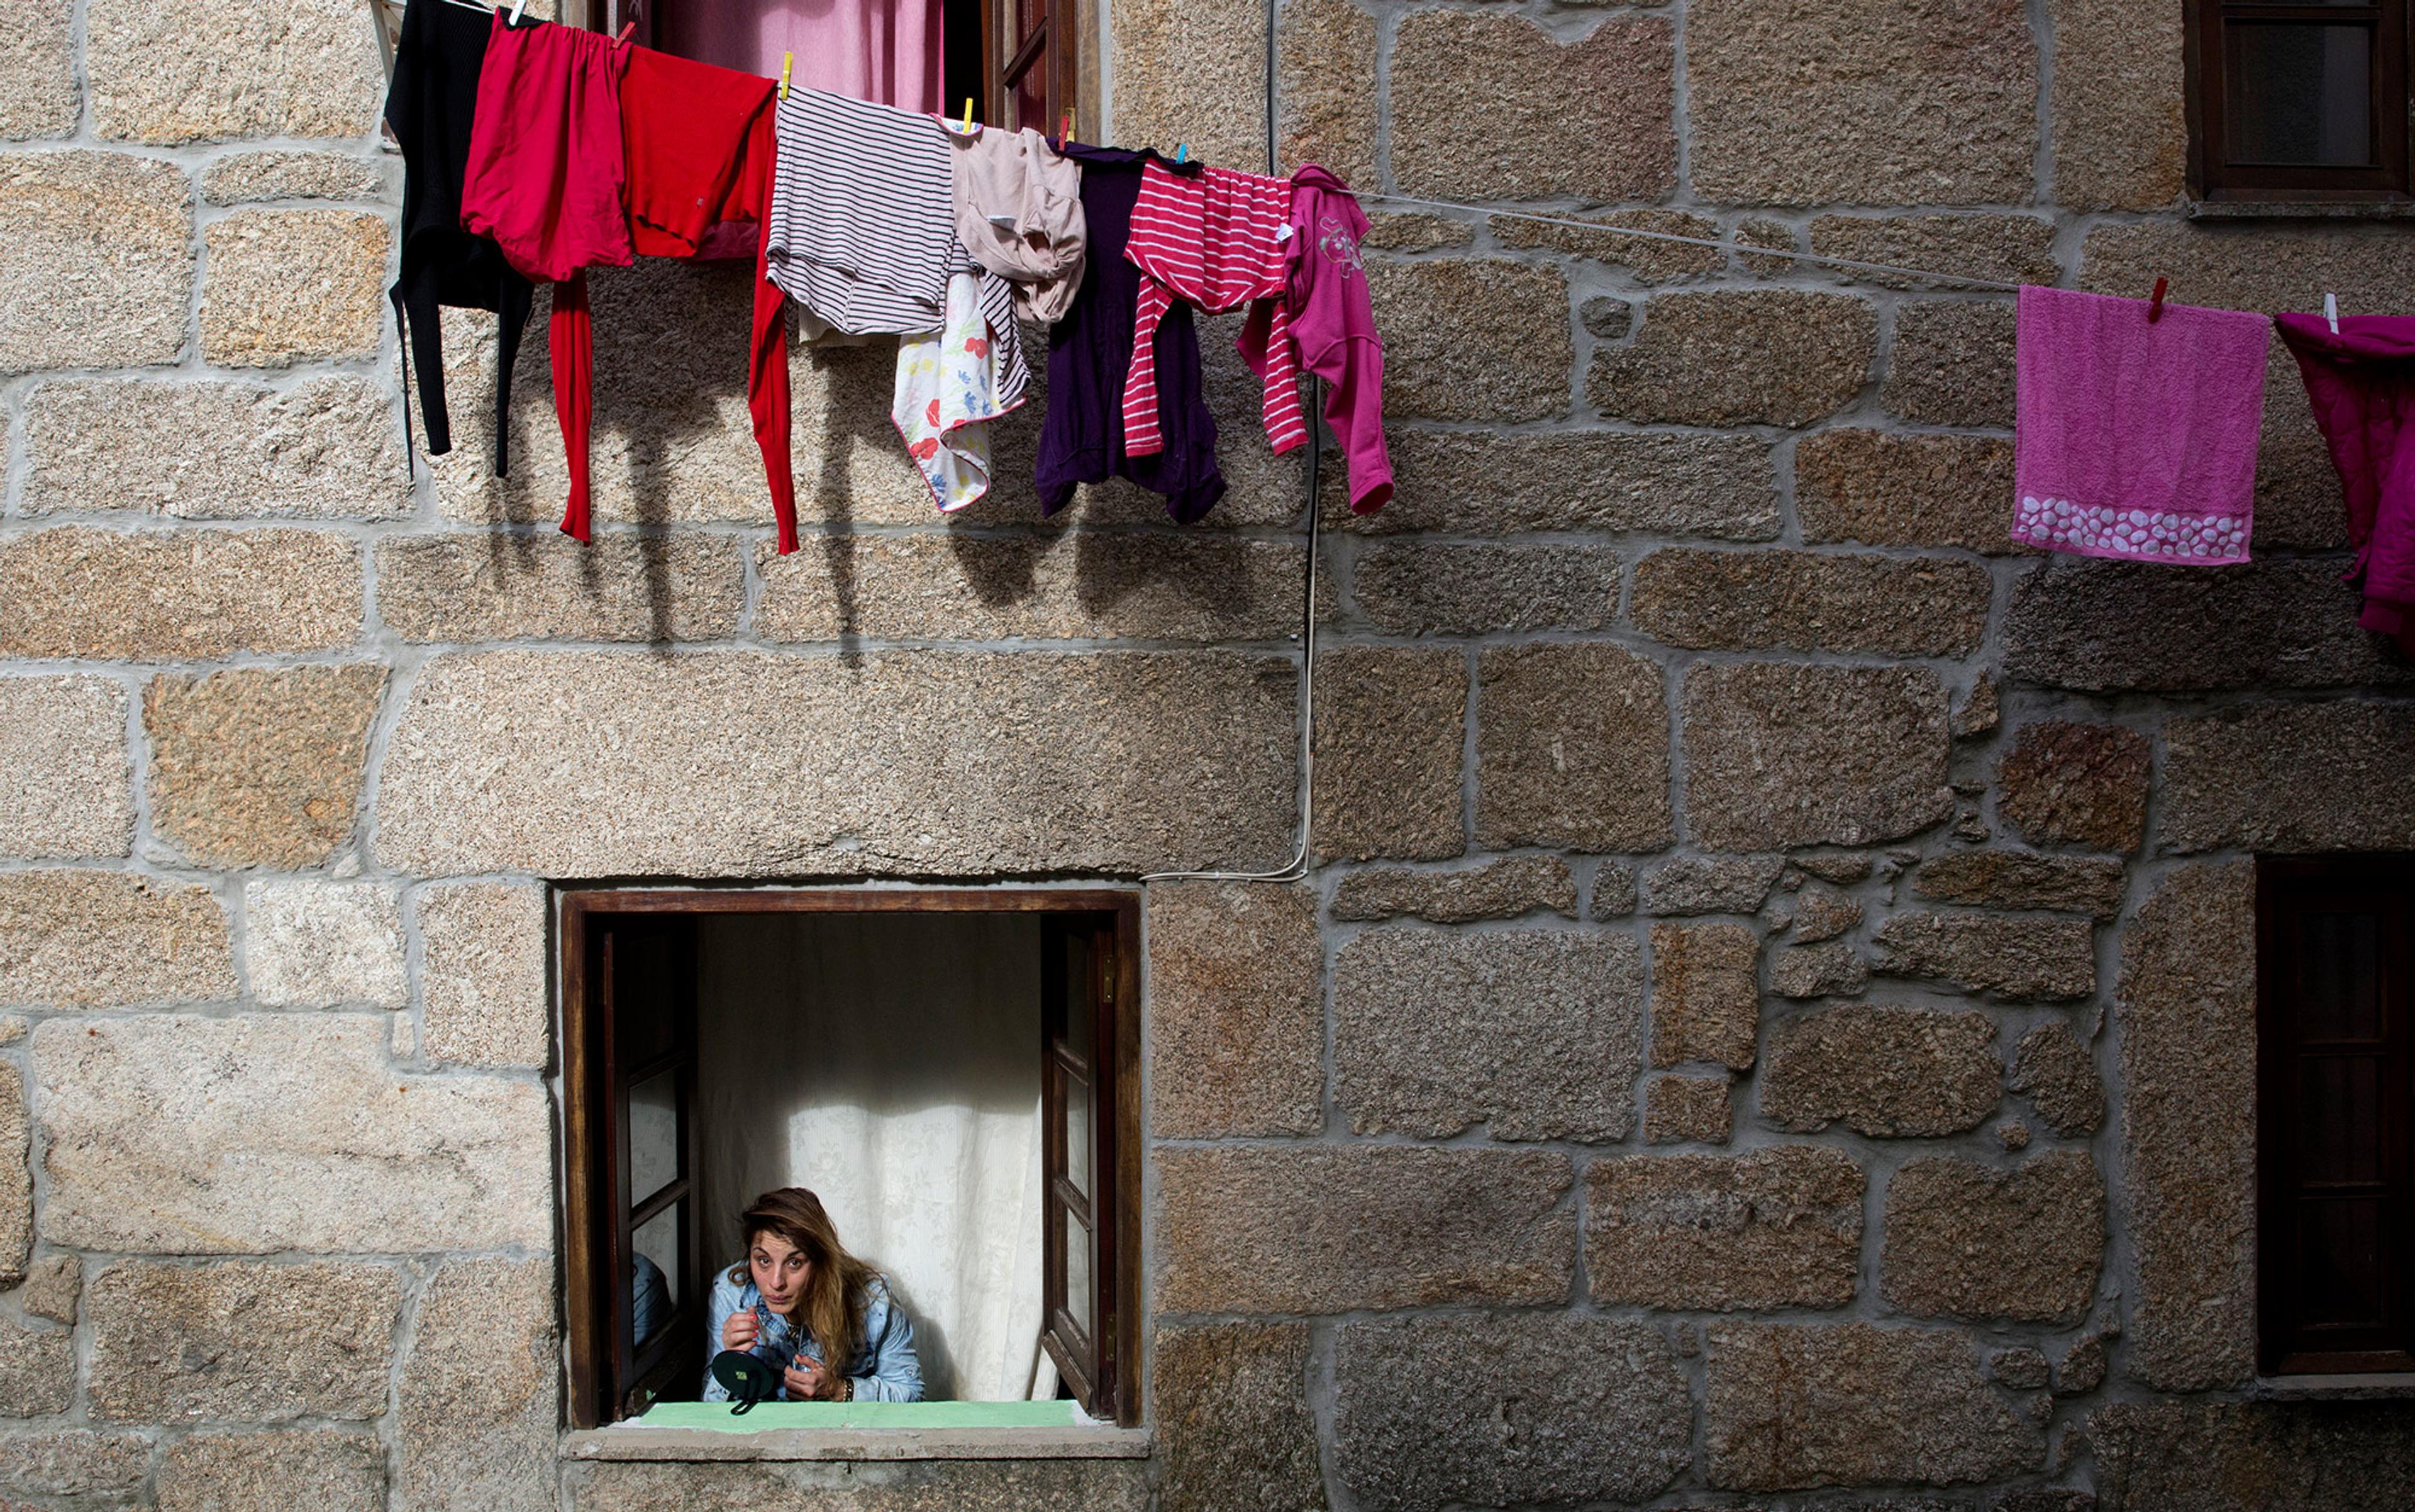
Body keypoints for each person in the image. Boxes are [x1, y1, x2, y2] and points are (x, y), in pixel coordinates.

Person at [703, 1187, 924, 1403]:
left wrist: (839, 1390)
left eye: (794, 1263)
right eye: (764, 1261)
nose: (776, 1282)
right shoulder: (731, 1294)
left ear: (821, 1262)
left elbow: (912, 1394)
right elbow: (710, 1406)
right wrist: (730, 1362)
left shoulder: (873, 1301)